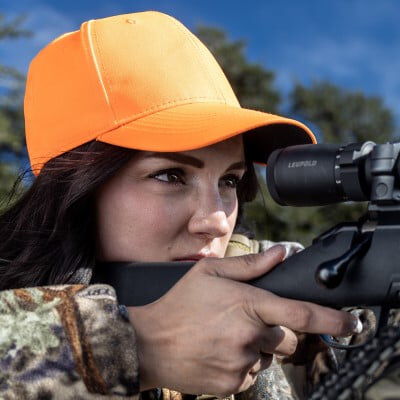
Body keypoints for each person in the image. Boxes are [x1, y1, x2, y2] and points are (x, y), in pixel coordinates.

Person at [0, 11, 361, 400]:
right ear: (78, 192)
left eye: (229, 181)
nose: (217, 220)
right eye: (170, 175)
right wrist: (132, 348)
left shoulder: (283, 310)